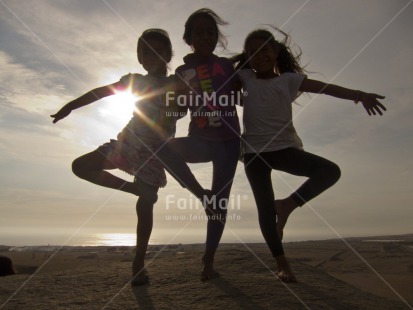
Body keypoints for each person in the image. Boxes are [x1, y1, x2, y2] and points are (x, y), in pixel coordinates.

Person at [233, 28, 386, 282]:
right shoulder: (245, 78)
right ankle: (282, 264)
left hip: (284, 149)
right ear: (247, 58)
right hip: (253, 154)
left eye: (265, 50)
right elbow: (214, 83)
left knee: (330, 171)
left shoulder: (289, 80)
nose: (259, 56)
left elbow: (325, 88)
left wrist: (359, 96)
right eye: (253, 53)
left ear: (276, 52)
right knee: (263, 209)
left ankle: (287, 204)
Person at [51, 29, 179, 285]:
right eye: (144, 52)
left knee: (145, 206)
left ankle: (138, 264)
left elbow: (206, 100)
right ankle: (132, 190)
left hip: (155, 152)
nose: (150, 56)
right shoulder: (135, 80)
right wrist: (70, 106)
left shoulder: (178, 83)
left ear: (167, 55)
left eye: (156, 51)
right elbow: (101, 92)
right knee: (81, 166)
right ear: (139, 59)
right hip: (127, 143)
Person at [157, 8, 241, 281]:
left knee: (222, 203)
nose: (205, 37)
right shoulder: (182, 71)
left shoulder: (228, 67)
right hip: (200, 140)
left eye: (210, 32)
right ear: (188, 38)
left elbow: (247, 93)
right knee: (161, 148)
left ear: (216, 37)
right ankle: (200, 195)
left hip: (228, 144)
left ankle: (208, 260)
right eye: (198, 33)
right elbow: (179, 108)